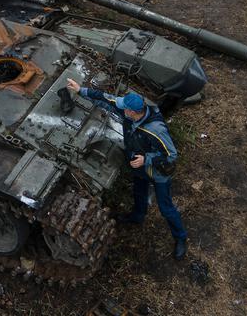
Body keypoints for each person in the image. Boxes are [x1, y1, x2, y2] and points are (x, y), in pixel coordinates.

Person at [65, 79, 188, 260]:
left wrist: (146, 159)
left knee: (166, 208)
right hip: (138, 167)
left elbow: (171, 155)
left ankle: (180, 238)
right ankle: (137, 216)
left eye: (125, 109)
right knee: (138, 193)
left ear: (132, 112)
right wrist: (80, 90)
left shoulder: (156, 129)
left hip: (159, 171)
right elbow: (106, 99)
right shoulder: (129, 112)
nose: (122, 110)